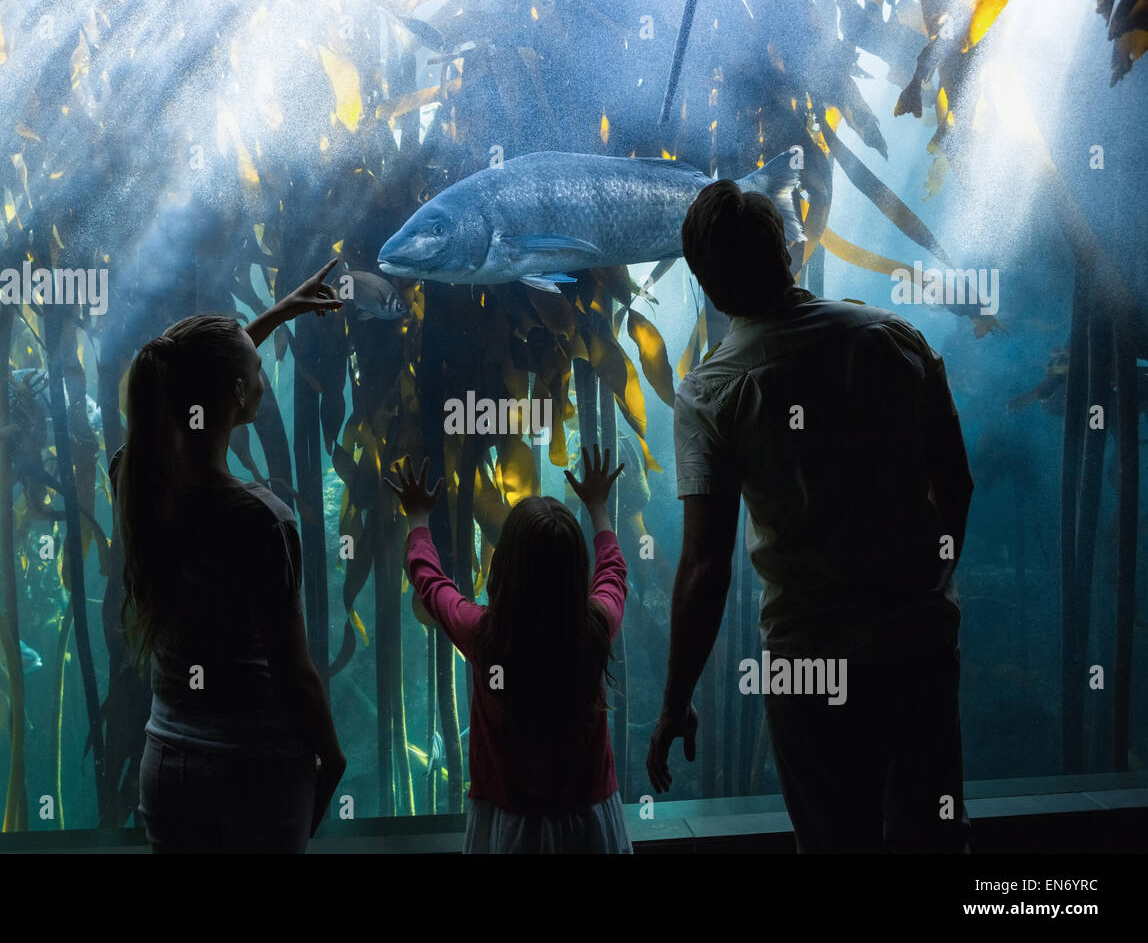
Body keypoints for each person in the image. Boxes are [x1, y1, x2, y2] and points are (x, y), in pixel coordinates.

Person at [646, 177, 974, 853]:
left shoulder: (709, 395)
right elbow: (957, 484)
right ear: (788, 254)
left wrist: (674, 701)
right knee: (935, 839)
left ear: (707, 284)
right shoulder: (893, 338)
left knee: (833, 843)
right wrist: (928, 584)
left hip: (807, 659)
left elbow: (706, 566)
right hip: (919, 646)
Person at [111, 258, 347, 853]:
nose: (264, 379)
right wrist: (333, 754)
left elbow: (188, 383)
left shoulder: (133, 480)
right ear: (238, 394)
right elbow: (294, 672)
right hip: (256, 770)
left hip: (168, 759)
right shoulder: (264, 519)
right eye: (257, 371)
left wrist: (274, 315)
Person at [385, 448, 632, 853]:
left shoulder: (484, 634)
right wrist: (598, 506)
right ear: (575, 571)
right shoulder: (595, 627)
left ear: (504, 567)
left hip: (511, 824)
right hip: (590, 822)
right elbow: (613, 571)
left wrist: (418, 520)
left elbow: (430, 583)